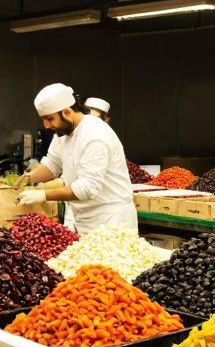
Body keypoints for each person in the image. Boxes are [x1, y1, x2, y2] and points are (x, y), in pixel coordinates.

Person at [20, 83, 137, 234]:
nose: (46, 125)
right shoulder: (62, 133)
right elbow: (52, 163)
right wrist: (28, 178)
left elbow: (87, 188)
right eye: (43, 119)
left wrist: (43, 195)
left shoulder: (95, 134)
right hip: (84, 218)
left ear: (67, 112)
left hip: (111, 220)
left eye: (50, 119)